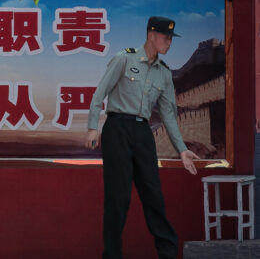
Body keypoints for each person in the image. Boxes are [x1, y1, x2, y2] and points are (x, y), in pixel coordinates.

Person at [85, 16, 200, 259]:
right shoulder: (124, 59)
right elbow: (100, 92)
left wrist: (181, 148)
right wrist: (93, 126)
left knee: (153, 195)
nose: (169, 43)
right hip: (118, 128)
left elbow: (168, 113)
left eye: (171, 39)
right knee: (118, 199)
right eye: (165, 38)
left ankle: (168, 253)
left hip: (142, 133)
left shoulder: (165, 74)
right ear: (151, 35)